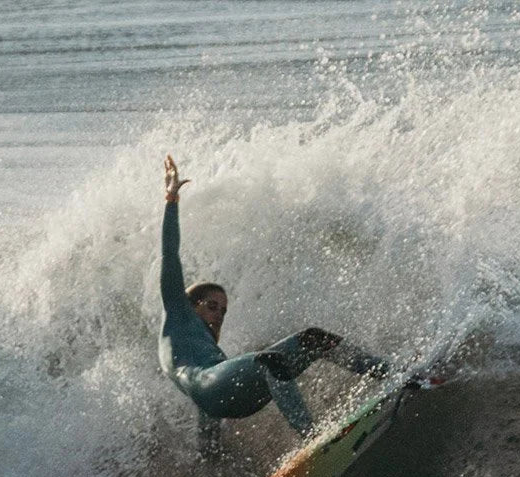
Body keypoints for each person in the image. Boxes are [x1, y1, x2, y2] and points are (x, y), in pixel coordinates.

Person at [157, 155, 391, 446]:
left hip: (233, 398)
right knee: (271, 360)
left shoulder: (206, 353)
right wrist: (171, 198)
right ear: (192, 304)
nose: (218, 314)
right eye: (212, 306)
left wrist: (210, 451)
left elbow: (208, 407)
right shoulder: (178, 314)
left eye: (224, 310)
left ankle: (393, 375)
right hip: (215, 390)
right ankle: (313, 439)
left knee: (314, 339)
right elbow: (170, 255)